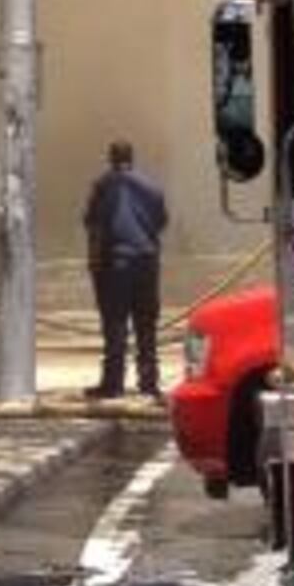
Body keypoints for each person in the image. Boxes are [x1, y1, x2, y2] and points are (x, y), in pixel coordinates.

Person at [82, 138, 169, 402]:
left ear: (111, 159)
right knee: (146, 325)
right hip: (147, 263)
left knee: (115, 324)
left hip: (115, 264)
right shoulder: (152, 188)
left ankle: (113, 384)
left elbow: (94, 225)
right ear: (132, 158)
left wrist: (94, 263)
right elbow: (162, 222)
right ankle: (149, 383)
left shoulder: (103, 185)